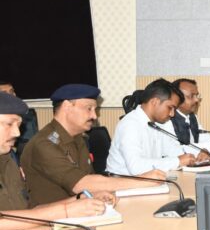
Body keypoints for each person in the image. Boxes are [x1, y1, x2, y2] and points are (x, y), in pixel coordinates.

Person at [21, 84, 164, 206]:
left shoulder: (79, 138)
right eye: (89, 108)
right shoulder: (44, 144)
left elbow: (90, 181)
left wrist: (99, 194)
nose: (94, 116)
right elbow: (81, 184)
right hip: (52, 221)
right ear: (67, 106)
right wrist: (143, 181)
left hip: (80, 210)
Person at [0, 92, 112, 230]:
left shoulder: (7, 160)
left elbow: (30, 210)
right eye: (9, 124)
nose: (17, 133)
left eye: (19, 125)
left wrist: (81, 200)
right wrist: (65, 212)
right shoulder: (42, 144)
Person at [106, 79, 206, 175]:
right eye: (170, 108)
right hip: (122, 182)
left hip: (146, 180)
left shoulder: (156, 123)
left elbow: (171, 149)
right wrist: (177, 161)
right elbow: (136, 167)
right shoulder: (130, 124)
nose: (172, 114)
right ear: (154, 102)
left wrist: (197, 154)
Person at [166, 78, 210, 153]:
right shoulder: (167, 119)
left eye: (197, 95)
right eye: (191, 96)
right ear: (176, 98)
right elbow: (175, 151)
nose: (196, 100)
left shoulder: (192, 116)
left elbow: (203, 137)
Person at [0, 80, 38, 154]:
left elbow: (31, 142)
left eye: (11, 91)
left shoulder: (26, 114)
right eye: (4, 93)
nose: (10, 95)